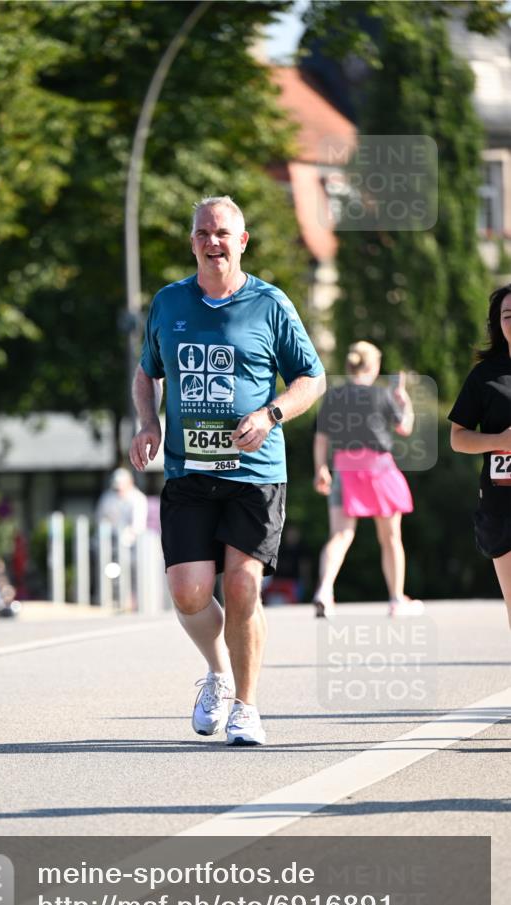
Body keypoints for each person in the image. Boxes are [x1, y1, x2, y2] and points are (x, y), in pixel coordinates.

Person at [129, 195, 326, 746]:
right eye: (202, 233)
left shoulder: (270, 304)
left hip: (255, 471)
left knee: (242, 588)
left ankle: (247, 706)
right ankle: (217, 673)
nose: (212, 242)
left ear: (242, 242)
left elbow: (312, 378)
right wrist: (147, 423)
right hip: (189, 470)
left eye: (222, 233)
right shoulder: (169, 303)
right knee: (189, 592)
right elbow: (148, 373)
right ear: (192, 242)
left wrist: (271, 413)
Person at [312, 340, 422, 617]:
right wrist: (404, 400)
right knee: (391, 538)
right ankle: (397, 599)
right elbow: (405, 428)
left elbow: (321, 437)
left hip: (343, 470)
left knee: (339, 535)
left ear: (350, 365)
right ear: (373, 366)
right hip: (378, 470)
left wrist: (320, 469)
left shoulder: (334, 396)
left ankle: (325, 589)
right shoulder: (382, 395)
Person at [448, 284, 511, 628]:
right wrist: (500, 439)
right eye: (507, 316)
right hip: (502, 505)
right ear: (497, 324)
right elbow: (458, 439)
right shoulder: (485, 376)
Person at [95, 467, 148, 546]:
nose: (119, 489)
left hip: (133, 540)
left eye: (122, 485)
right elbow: (100, 517)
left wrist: (125, 534)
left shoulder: (138, 498)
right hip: (109, 537)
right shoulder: (107, 496)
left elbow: (138, 525)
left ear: (130, 482)